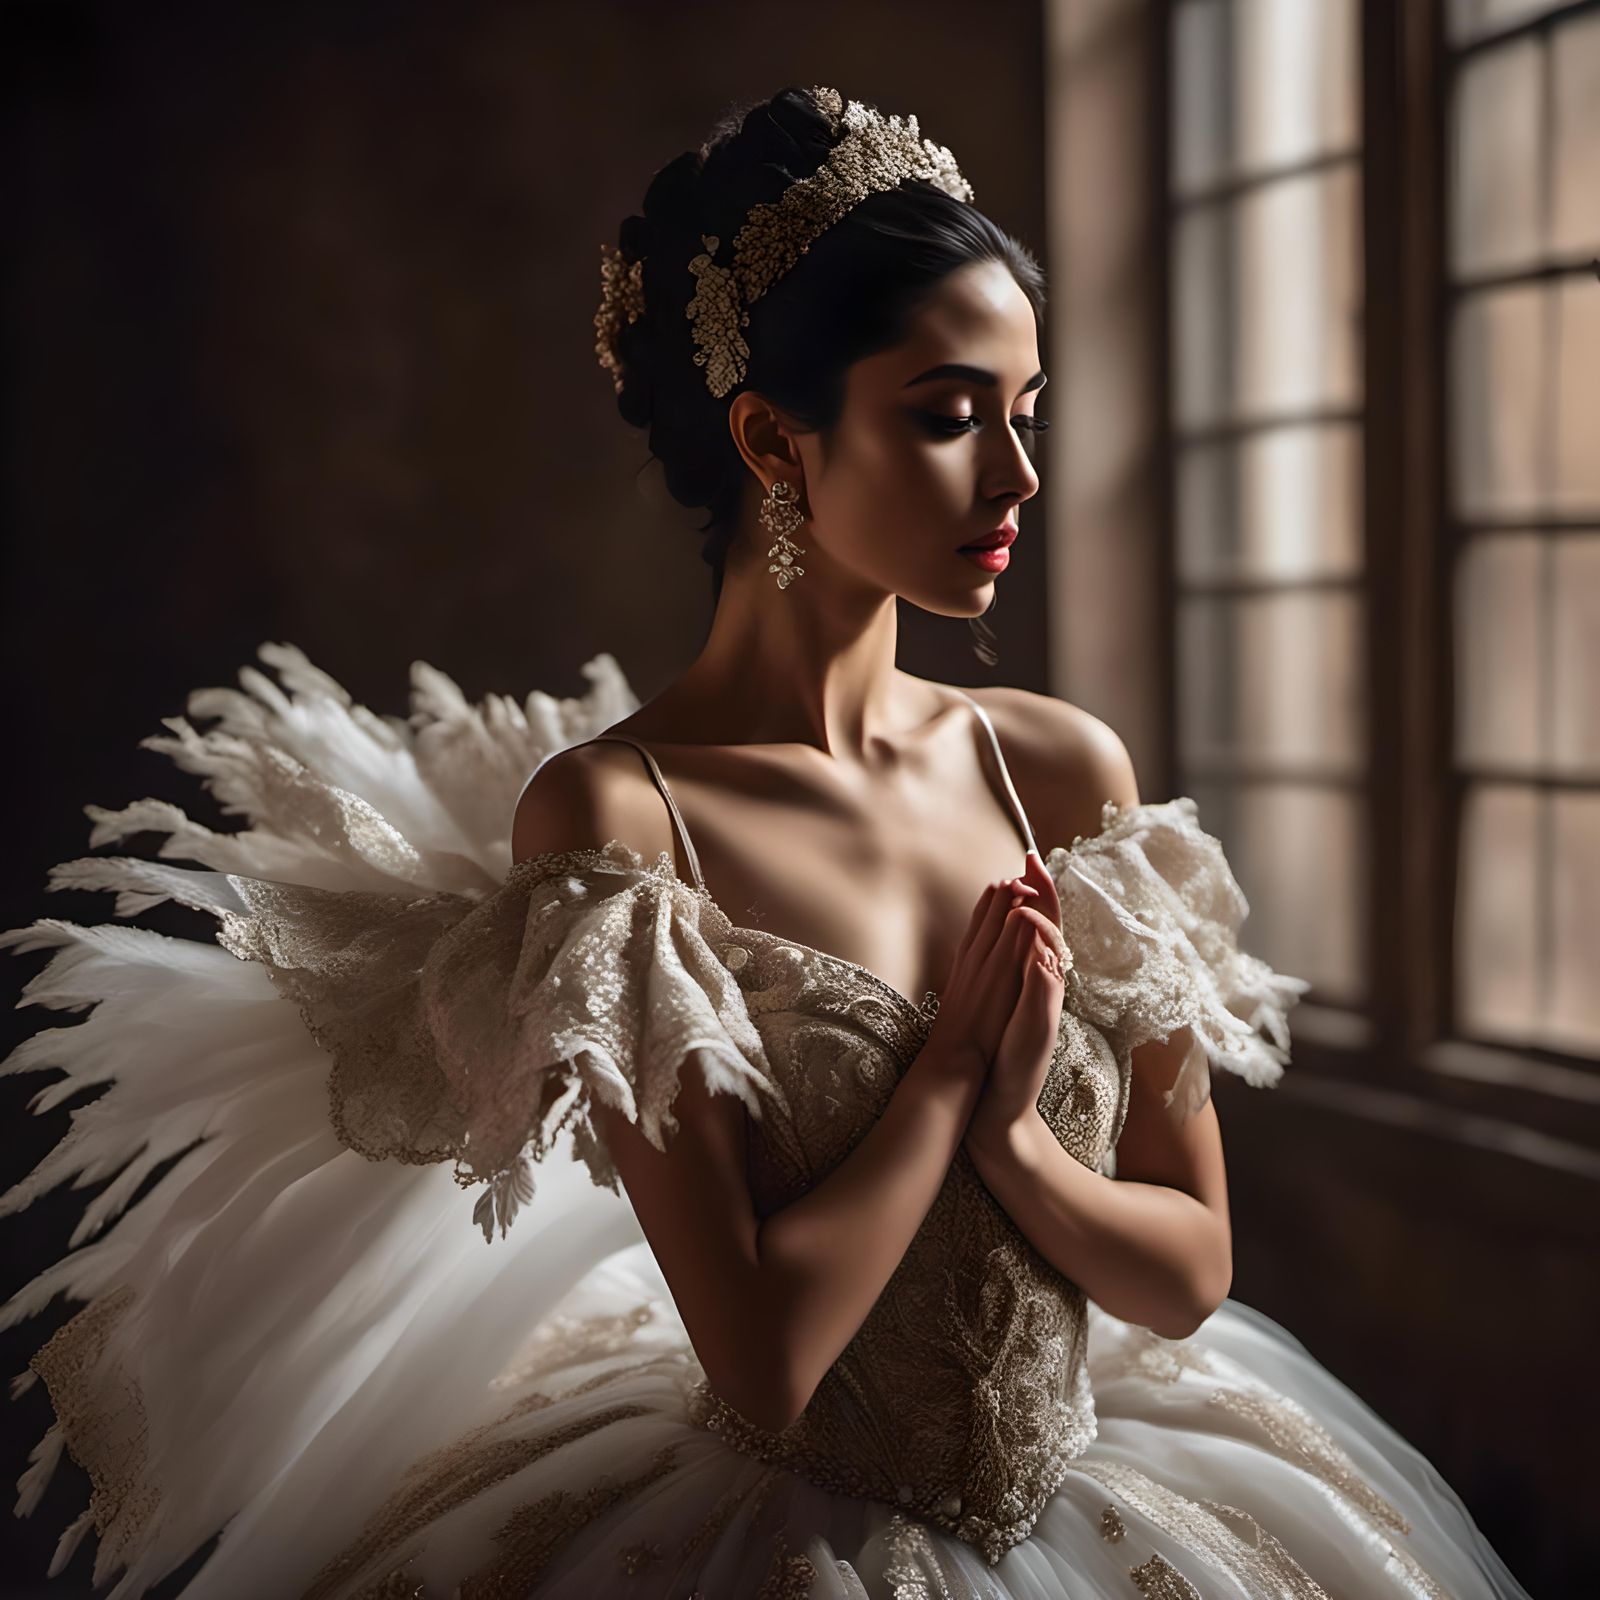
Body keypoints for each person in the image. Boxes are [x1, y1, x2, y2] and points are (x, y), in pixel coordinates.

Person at [0, 84, 1530, 1600]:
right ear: (774, 442)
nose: (1019, 479)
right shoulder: (616, 824)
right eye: (949, 417)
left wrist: (1013, 1144)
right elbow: (771, 1358)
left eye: (1026, 413)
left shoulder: (1062, 773)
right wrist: (944, 1087)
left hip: (1107, 1498)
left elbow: (1190, 1271)